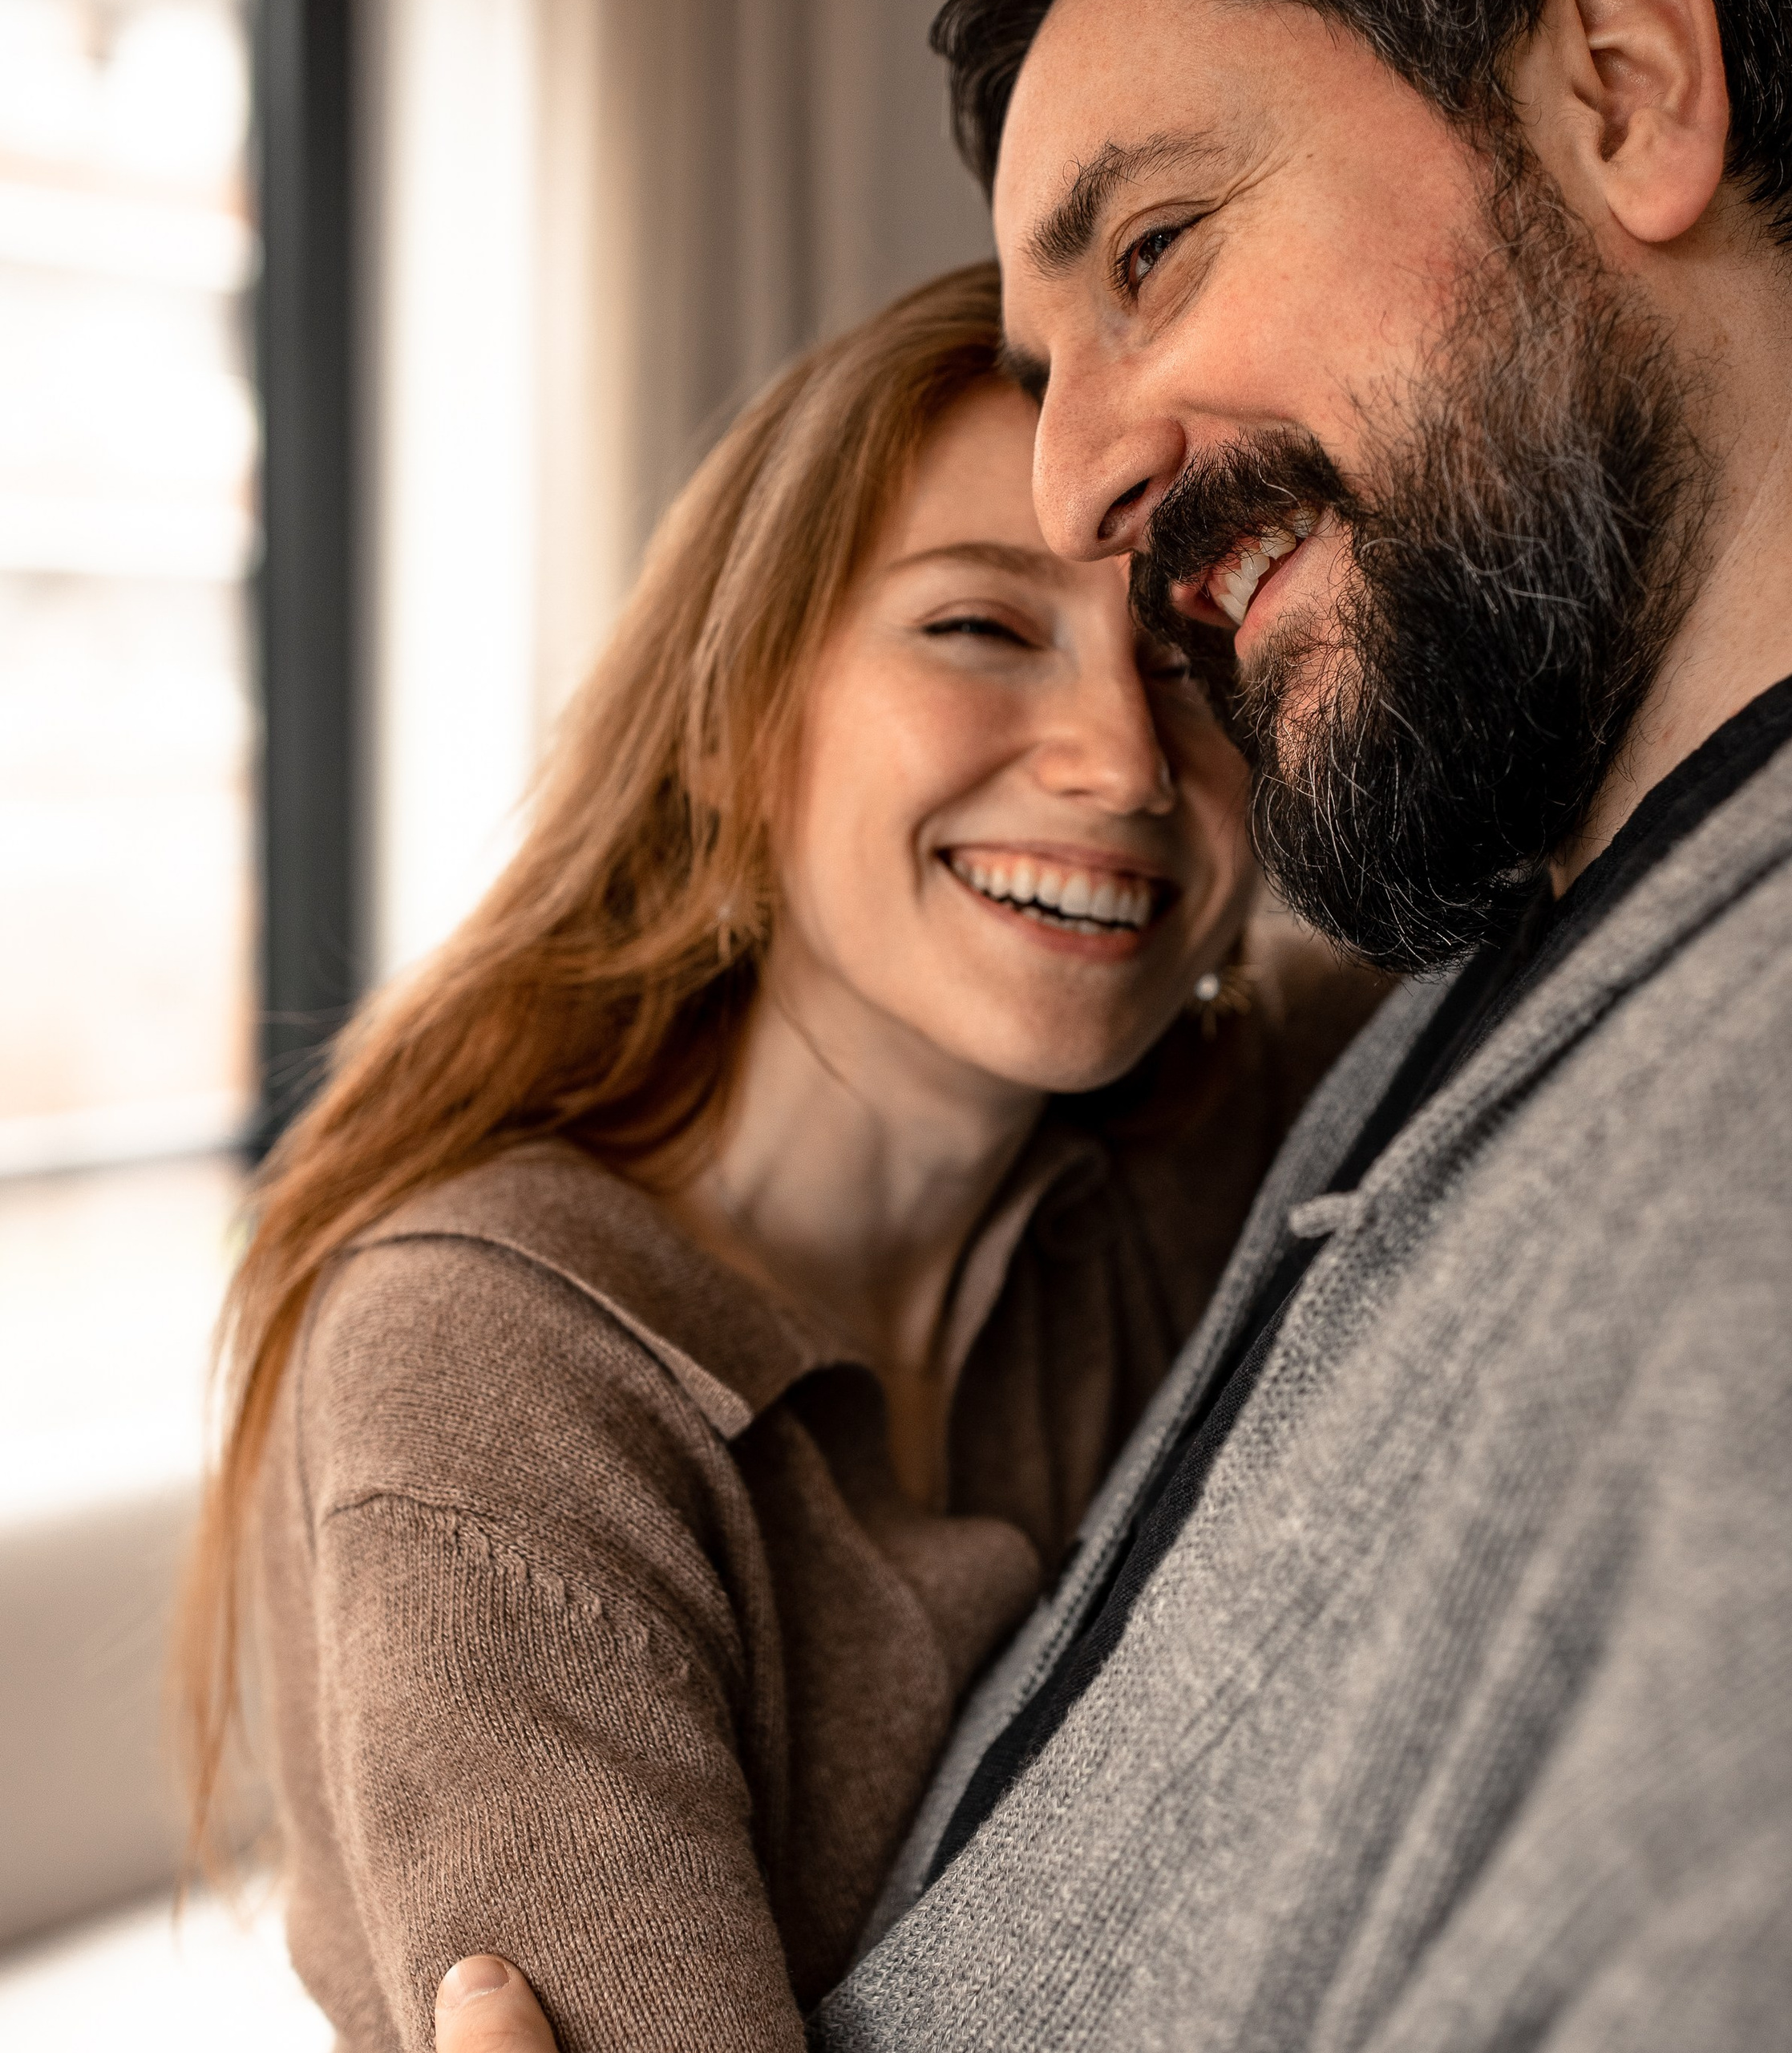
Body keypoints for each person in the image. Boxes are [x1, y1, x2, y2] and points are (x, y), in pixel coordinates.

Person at [429, 0, 1792, 2046]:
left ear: (1626, 90)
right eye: (1040, 375)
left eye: (1155, 249)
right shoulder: (1469, 984)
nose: (1078, 475)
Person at [185, 263, 1392, 2052]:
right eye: (978, 627)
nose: (1123, 759)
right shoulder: (493, 1363)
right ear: (733, 724)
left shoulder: (1210, 1122)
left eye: (1184, 660)